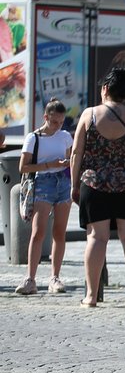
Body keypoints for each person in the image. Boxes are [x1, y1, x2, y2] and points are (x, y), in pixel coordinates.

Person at [69, 69, 125, 307]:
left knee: (96, 238)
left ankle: (91, 295)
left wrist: (75, 184)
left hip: (94, 183)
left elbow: (76, 152)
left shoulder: (89, 115)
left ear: (105, 89)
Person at [14, 99, 72, 295]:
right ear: (45, 117)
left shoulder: (64, 136)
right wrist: (49, 164)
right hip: (43, 182)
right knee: (38, 232)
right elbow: (23, 167)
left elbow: (71, 159)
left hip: (63, 182)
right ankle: (30, 279)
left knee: (59, 232)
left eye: (62, 122)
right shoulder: (33, 138)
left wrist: (67, 164)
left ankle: (54, 277)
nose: (58, 126)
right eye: (55, 122)